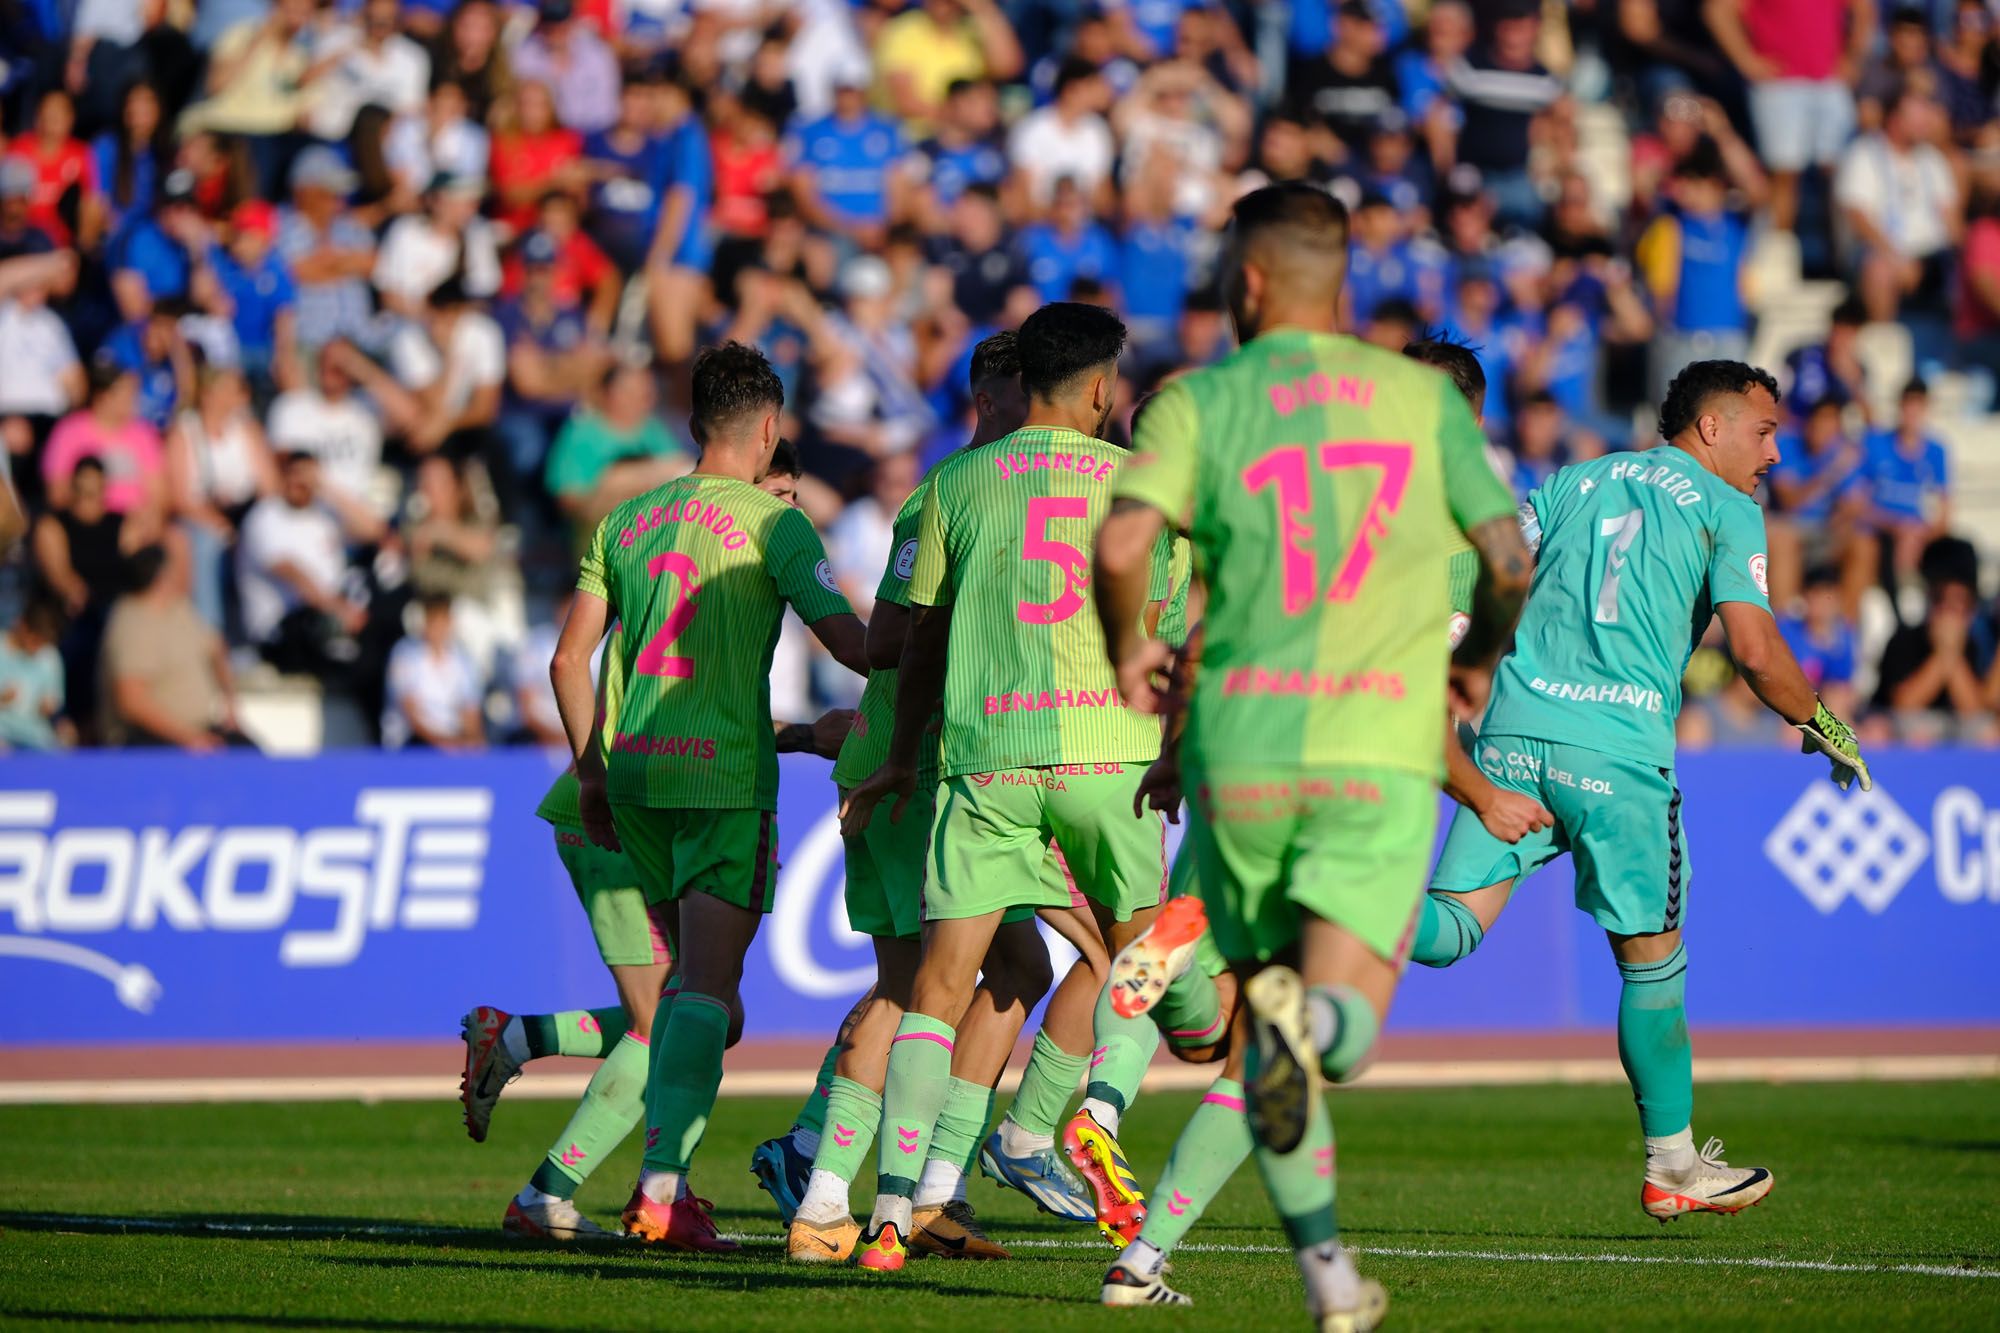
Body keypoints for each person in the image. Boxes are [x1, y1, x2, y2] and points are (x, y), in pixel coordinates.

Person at [1090, 182, 1533, 1326]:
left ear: (1244, 282)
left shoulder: (1198, 401)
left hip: (1237, 748)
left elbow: (1125, 540)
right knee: (1327, 1032)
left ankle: (1244, 1247)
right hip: (1376, 757)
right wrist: (1480, 665)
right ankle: (1154, 1042)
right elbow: (1505, 561)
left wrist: (1131, 661)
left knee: (1238, 1025)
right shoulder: (1422, 411)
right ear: (1340, 277)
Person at [1415, 362, 1871, 1230]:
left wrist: (1444, 659)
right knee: (1652, 960)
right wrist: (1828, 726)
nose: (1774, 453)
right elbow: (1757, 652)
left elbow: (1486, 568)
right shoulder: (1727, 507)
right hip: (1620, 759)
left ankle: (1317, 902)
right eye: (1764, 431)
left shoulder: (1574, 479)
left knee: (1449, 930)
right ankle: (1671, 1164)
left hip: (1511, 737)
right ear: (1711, 428)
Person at [838, 302, 1176, 1273]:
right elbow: (1180, 624)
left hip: (983, 756)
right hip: (1107, 754)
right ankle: (1094, 1113)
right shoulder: (1138, 484)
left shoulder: (955, 482)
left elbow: (916, 638)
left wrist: (902, 753)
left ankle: (895, 1208)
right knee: (1137, 961)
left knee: (938, 992)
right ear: (1103, 386)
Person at [548, 341, 867, 1252]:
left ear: (693, 428)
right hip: (725, 776)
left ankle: (644, 1174)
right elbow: (849, 643)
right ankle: (661, 1192)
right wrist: (936, 642)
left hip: (636, 774)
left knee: (704, 1004)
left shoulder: (625, 521)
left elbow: (568, 659)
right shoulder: (778, 526)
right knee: (705, 996)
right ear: (770, 430)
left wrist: (593, 770)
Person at [1707, 0, 1872, 236]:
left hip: (1829, 82)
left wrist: (1853, 57)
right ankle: (1779, 252)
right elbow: (1719, 10)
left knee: (1839, 173)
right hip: (1779, 86)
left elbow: (1864, 9)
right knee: (1784, 173)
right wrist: (1745, 60)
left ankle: (1844, 257)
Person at [100, 540, 250, 750]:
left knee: (250, 753)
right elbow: (131, 701)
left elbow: (216, 648)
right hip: (155, 741)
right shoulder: (133, 623)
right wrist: (189, 739)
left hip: (199, 729)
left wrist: (230, 703)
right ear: (162, 575)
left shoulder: (180, 609)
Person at [382, 593, 485, 750]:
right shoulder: (405, 654)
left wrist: (473, 740)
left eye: (443, 621)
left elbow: (469, 710)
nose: (438, 628)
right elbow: (410, 711)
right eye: (433, 621)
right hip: (412, 741)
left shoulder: (462, 659)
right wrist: (443, 743)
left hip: (451, 738)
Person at [0, 593, 68, 752]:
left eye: (41, 643)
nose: (36, 648)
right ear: (22, 626)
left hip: (35, 736)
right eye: (34, 640)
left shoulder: (50, 657)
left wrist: (49, 707)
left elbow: (55, 703)